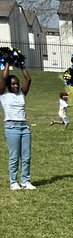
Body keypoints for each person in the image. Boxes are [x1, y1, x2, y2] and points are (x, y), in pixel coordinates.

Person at [1, 59, 35, 190]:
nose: (16, 86)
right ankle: (13, 182)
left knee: (26, 156)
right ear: (8, 85)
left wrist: (21, 65)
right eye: (13, 84)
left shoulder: (21, 93)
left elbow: (28, 79)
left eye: (17, 84)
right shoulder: (3, 94)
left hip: (24, 127)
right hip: (11, 127)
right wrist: (8, 62)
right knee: (14, 156)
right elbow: (4, 78)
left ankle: (25, 181)